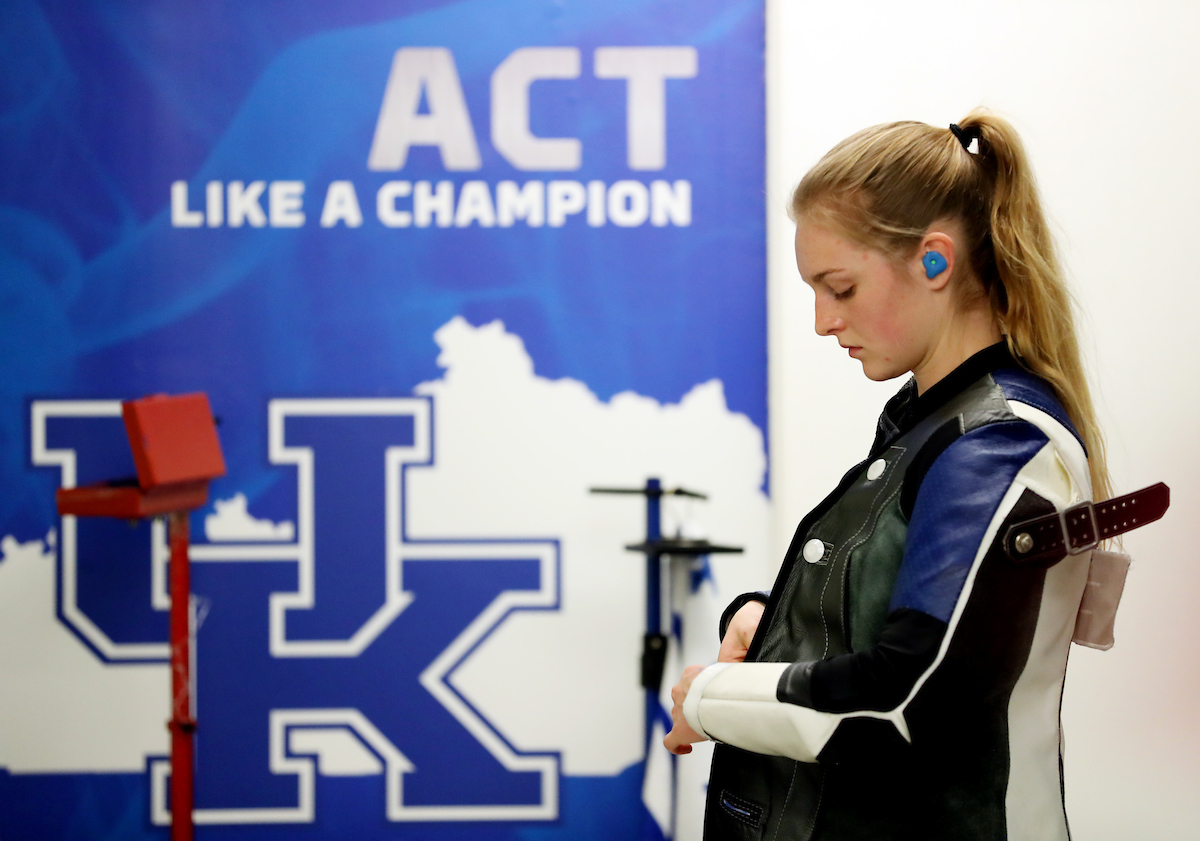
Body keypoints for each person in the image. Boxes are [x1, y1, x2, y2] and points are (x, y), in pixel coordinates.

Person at [663, 111, 1114, 840]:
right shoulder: (925, 424)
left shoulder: (997, 445)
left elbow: (912, 694)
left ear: (935, 262)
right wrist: (765, 621)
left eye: (838, 287)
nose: (821, 320)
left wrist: (716, 696)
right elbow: (881, 612)